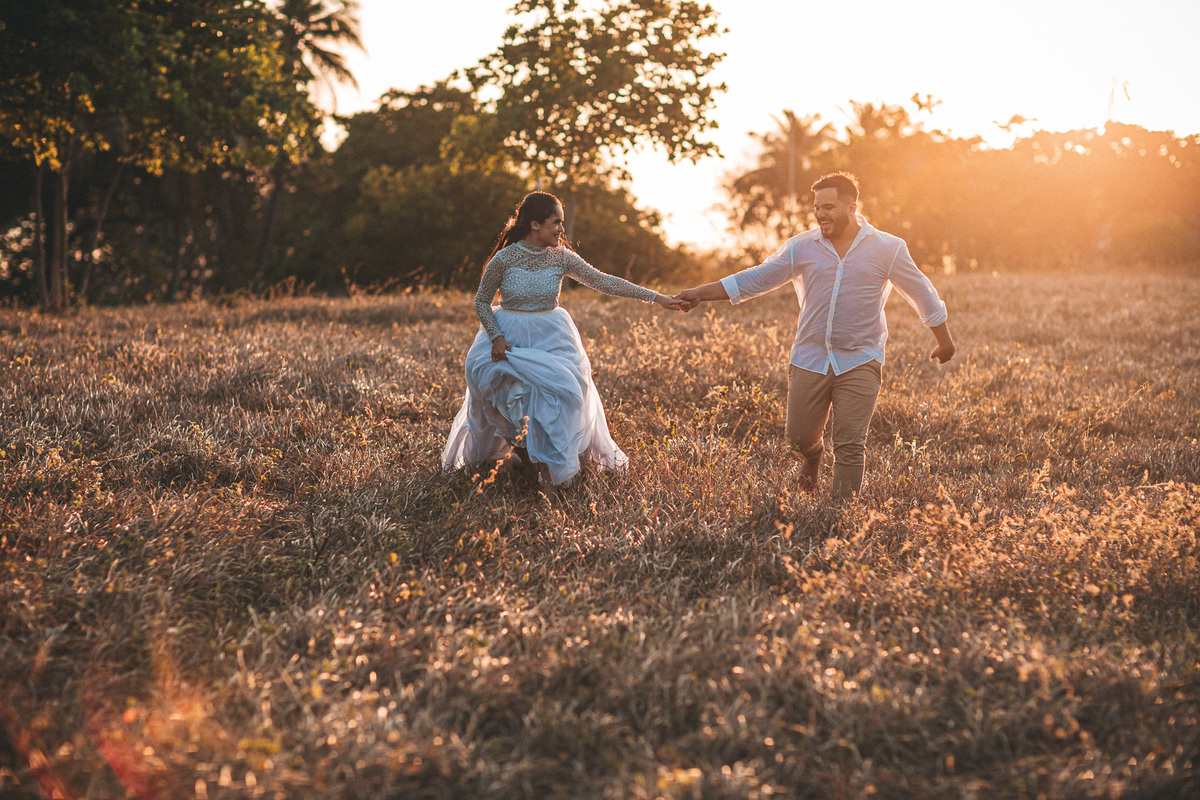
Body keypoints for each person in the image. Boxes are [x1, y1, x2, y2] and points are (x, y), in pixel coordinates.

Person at [676, 172, 955, 496]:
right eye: (817, 207)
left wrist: (944, 340)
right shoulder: (801, 247)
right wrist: (700, 292)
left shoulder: (887, 249)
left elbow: (922, 292)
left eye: (829, 207)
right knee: (798, 437)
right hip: (810, 356)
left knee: (851, 444)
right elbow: (755, 279)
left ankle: (839, 518)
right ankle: (813, 454)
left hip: (862, 358)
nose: (821, 214)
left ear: (852, 207)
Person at [443, 191, 684, 490]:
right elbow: (481, 302)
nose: (561, 229)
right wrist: (496, 337)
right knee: (508, 399)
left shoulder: (562, 258)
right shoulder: (504, 259)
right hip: (508, 335)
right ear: (534, 225)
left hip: (552, 335)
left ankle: (552, 458)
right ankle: (531, 464)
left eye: (562, 223)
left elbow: (604, 281)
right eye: (556, 223)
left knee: (566, 394)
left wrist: (657, 298)